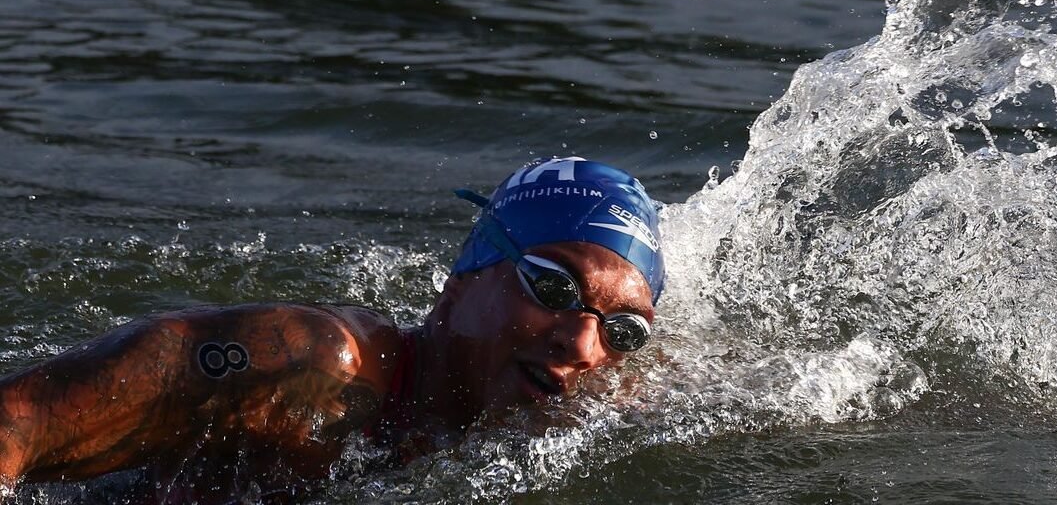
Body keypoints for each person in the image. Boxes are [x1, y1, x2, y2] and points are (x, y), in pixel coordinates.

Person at [0, 157, 665, 504]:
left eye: (624, 330)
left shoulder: (582, 421)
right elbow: (18, 421)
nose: (583, 346)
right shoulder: (316, 366)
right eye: (553, 288)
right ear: (464, 277)